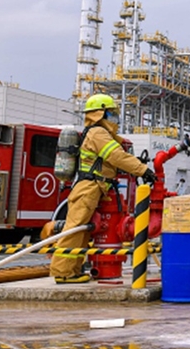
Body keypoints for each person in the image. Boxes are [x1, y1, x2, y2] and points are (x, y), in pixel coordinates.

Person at [50, 94, 154, 284]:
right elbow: (116, 156)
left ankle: (71, 271)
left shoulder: (100, 133)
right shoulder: (97, 133)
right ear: (101, 113)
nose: (115, 117)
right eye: (112, 113)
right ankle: (63, 272)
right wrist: (142, 170)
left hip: (96, 187)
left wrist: (139, 164)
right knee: (74, 229)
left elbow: (116, 155)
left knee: (84, 230)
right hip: (88, 186)